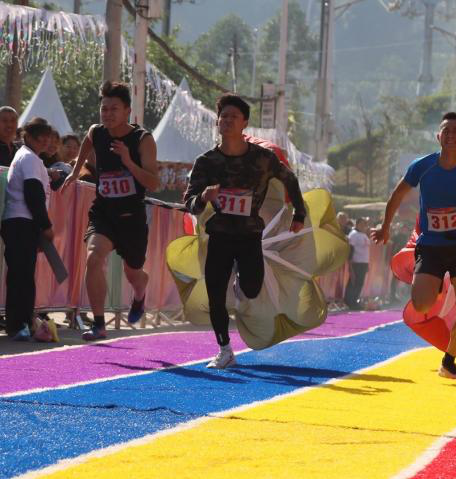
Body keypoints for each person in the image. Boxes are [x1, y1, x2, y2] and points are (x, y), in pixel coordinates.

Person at [183, 93, 306, 369]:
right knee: (215, 293)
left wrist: (299, 213)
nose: (226, 120)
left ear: (244, 123)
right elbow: (189, 204)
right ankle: (225, 349)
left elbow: (290, 179)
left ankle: (242, 281)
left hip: (250, 235)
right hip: (220, 235)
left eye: (233, 117)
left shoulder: (263, 159)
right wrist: (204, 196)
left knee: (250, 290)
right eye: (223, 116)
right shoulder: (206, 162)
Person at [371, 112, 456, 380]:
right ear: (438, 136)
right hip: (431, 246)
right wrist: (385, 226)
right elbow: (397, 194)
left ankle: (449, 361)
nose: (451, 135)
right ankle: (437, 283)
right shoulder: (423, 166)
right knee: (422, 304)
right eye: (446, 131)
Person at [61, 81, 160, 340]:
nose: (107, 114)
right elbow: (87, 141)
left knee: (133, 273)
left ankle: (140, 292)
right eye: (104, 109)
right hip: (104, 211)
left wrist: (128, 160)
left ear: (127, 110)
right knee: (94, 258)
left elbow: (154, 182)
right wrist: (75, 171)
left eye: (113, 109)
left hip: (132, 217)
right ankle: (99, 324)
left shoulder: (142, 139)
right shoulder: (98, 132)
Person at [1, 118, 54, 340]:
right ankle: (19, 324)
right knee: (21, 276)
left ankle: (22, 322)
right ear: (28, 137)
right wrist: (46, 225)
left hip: (20, 222)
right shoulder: (30, 159)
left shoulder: (27, 157)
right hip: (22, 222)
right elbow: (33, 193)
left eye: (46, 136)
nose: (43, 141)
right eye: (38, 136)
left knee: (20, 275)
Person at [344, 217, 371, 310]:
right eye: (363, 224)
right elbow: (350, 249)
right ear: (358, 224)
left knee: (359, 283)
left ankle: (354, 300)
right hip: (356, 262)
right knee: (354, 282)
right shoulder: (354, 234)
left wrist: (367, 263)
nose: (365, 226)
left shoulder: (363, 234)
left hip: (363, 262)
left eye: (366, 224)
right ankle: (350, 301)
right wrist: (350, 264)